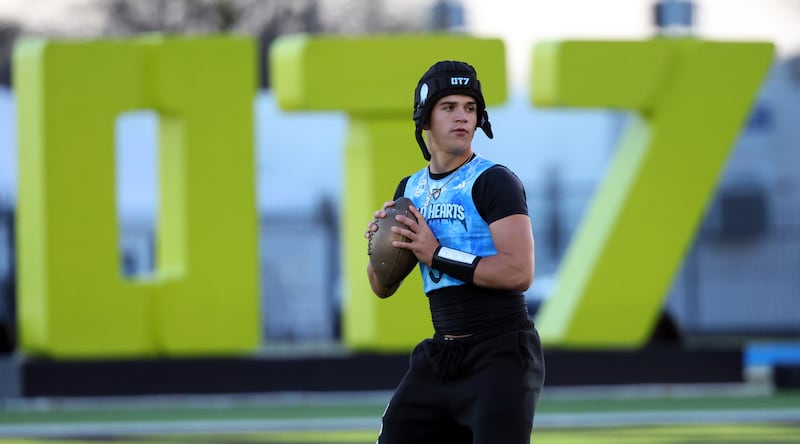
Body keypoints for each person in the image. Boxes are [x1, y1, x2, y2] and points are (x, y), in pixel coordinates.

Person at [364, 60, 546, 443]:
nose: (462, 116)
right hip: (442, 353)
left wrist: (437, 254)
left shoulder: (495, 181)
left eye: (470, 107)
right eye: (449, 107)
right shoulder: (408, 190)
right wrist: (378, 247)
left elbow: (520, 272)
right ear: (425, 118)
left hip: (501, 354)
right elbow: (381, 287)